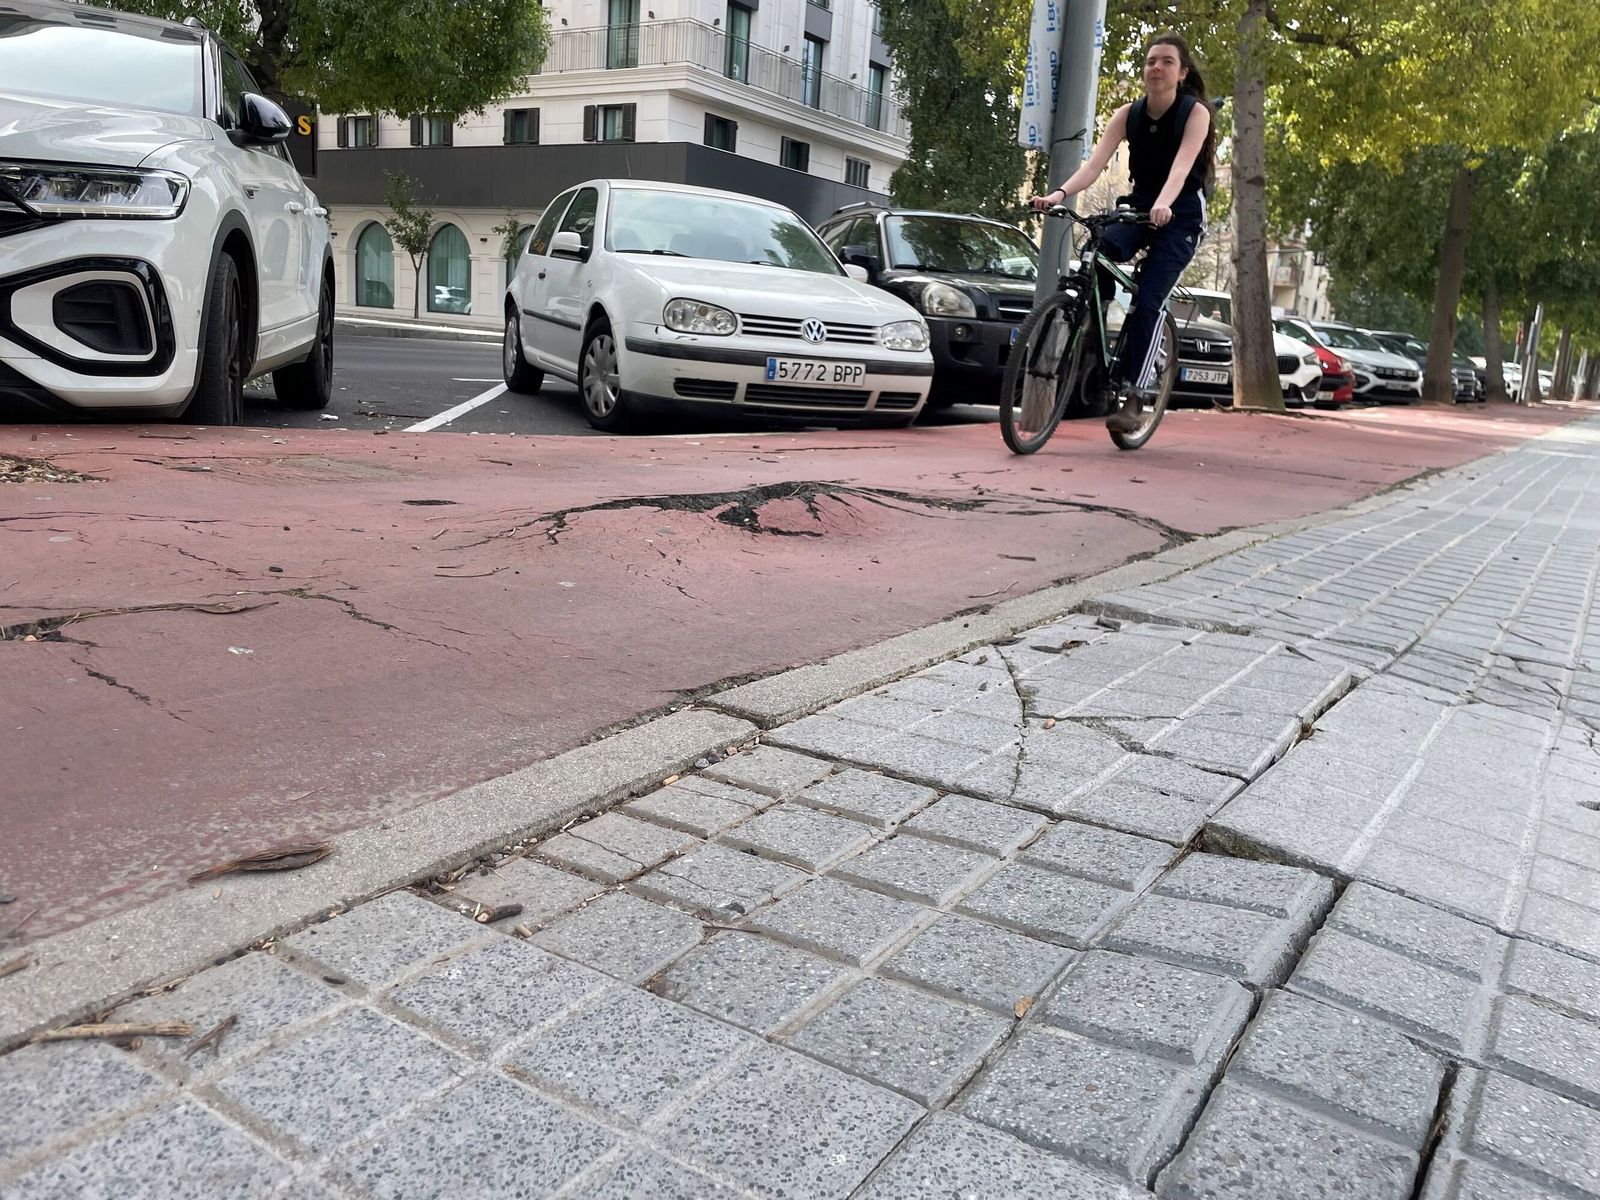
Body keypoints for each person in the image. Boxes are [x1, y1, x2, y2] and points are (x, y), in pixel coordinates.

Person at [1031, 33, 1215, 434]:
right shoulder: (1128, 114)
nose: (1156, 67)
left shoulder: (1194, 113)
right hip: (1138, 206)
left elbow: (1181, 169)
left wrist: (1164, 204)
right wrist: (1057, 195)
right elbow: (1092, 166)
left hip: (1180, 214)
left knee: (1148, 300)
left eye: (1166, 61)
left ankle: (1134, 394)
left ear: (1182, 73)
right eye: (1151, 61)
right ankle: (1094, 343)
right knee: (1095, 250)